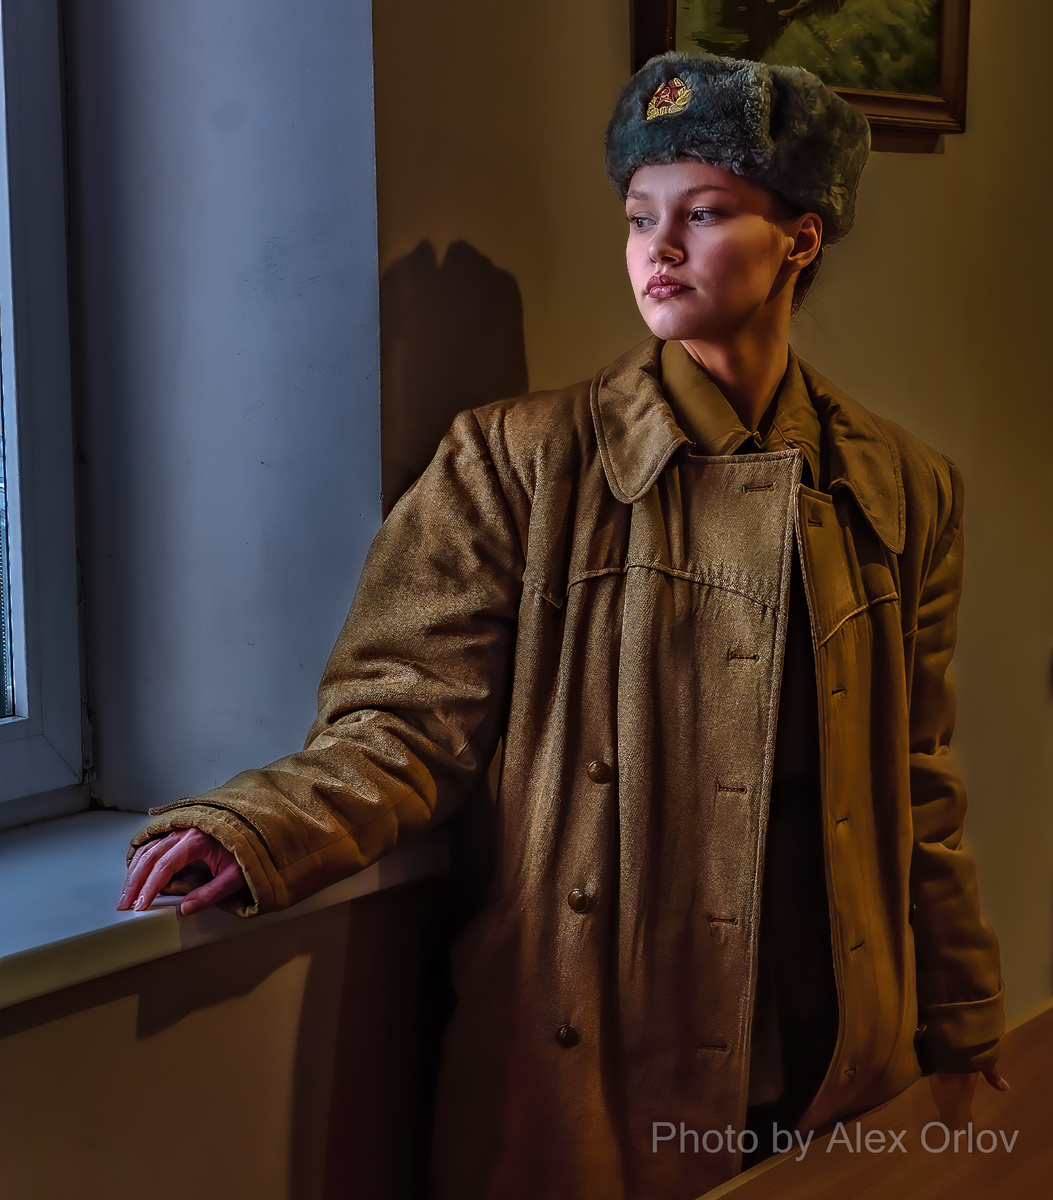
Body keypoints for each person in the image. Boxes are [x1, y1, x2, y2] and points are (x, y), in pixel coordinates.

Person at [118, 50, 1008, 1199]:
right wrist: (259, 825)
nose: (658, 248)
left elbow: (919, 782)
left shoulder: (902, 487)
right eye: (639, 216)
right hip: (602, 1045)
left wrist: (962, 1014)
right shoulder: (516, 462)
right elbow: (405, 723)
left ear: (802, 238)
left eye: (704, 213)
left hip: (831, 1041)